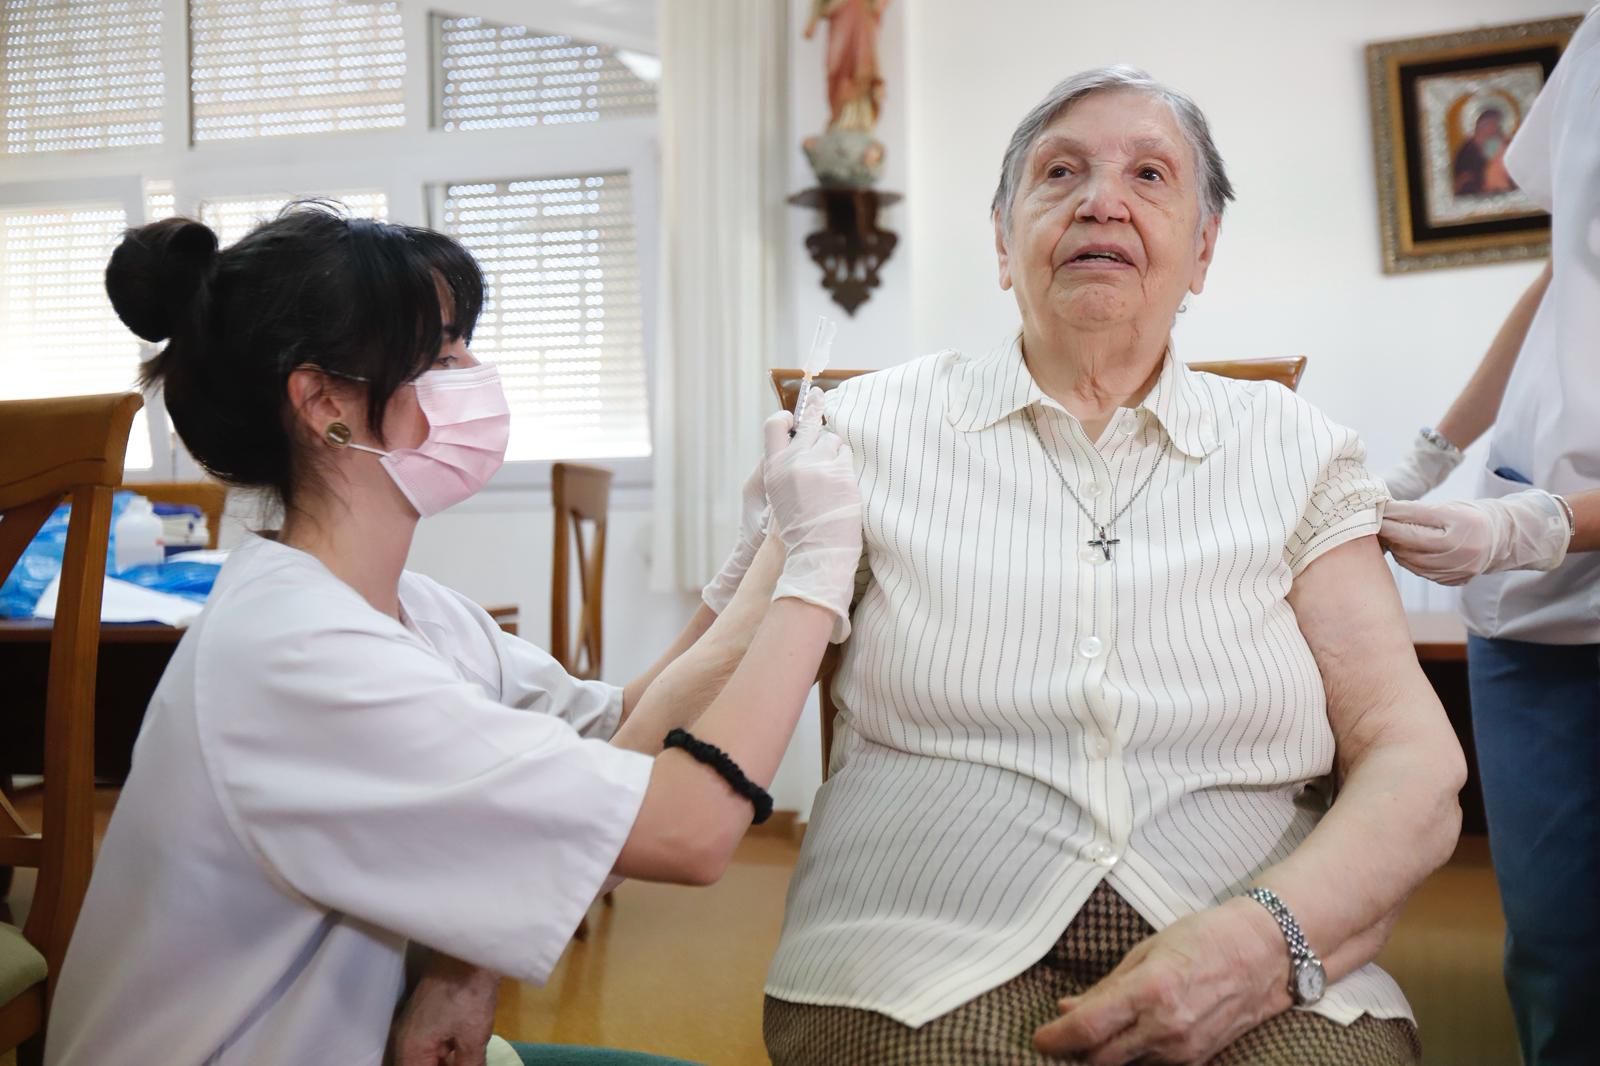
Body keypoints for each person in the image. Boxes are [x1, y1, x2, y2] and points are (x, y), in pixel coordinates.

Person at [44, 205, 863, 1066]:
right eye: (440, 355)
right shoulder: (294, 653)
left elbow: (624, 728)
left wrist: (761, 551)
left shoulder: (412, 611)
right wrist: (811, 567)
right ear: (325, 404)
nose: (474, 372)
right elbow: (688, 830)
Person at [761, 67, 1466, 1065]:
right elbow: (721, 705)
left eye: (1148, 174)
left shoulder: (1295, 447)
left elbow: (1414, 756)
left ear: (1203, 249)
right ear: (1003, 242)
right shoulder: (861, 431)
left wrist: (1262, 935)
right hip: (913, 949)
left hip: (1251, 932)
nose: (1102, 200)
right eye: (1060, 173)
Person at [1379, 9, 1600, 1065]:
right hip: (1532, 617)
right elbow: (1569, 270)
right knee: (1556, 945)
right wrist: (1432, 448)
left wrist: (1541, 522)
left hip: (1552, 532)